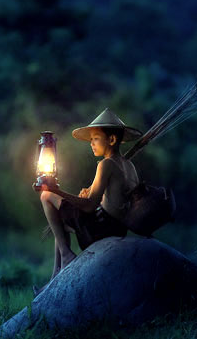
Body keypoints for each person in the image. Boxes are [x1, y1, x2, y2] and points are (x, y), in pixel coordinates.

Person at [32, 108, 142, 295]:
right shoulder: (129, 166)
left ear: (112, 140)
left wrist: (57, 191)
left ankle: (67, 256)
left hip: (101, 228)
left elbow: (91, 205)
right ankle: (54, 278)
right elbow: (116, 201)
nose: (91, 143)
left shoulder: (105, 164)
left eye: (95, 138)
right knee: (60, 225)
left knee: (45, 196)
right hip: (117, 227)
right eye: (90, 139)